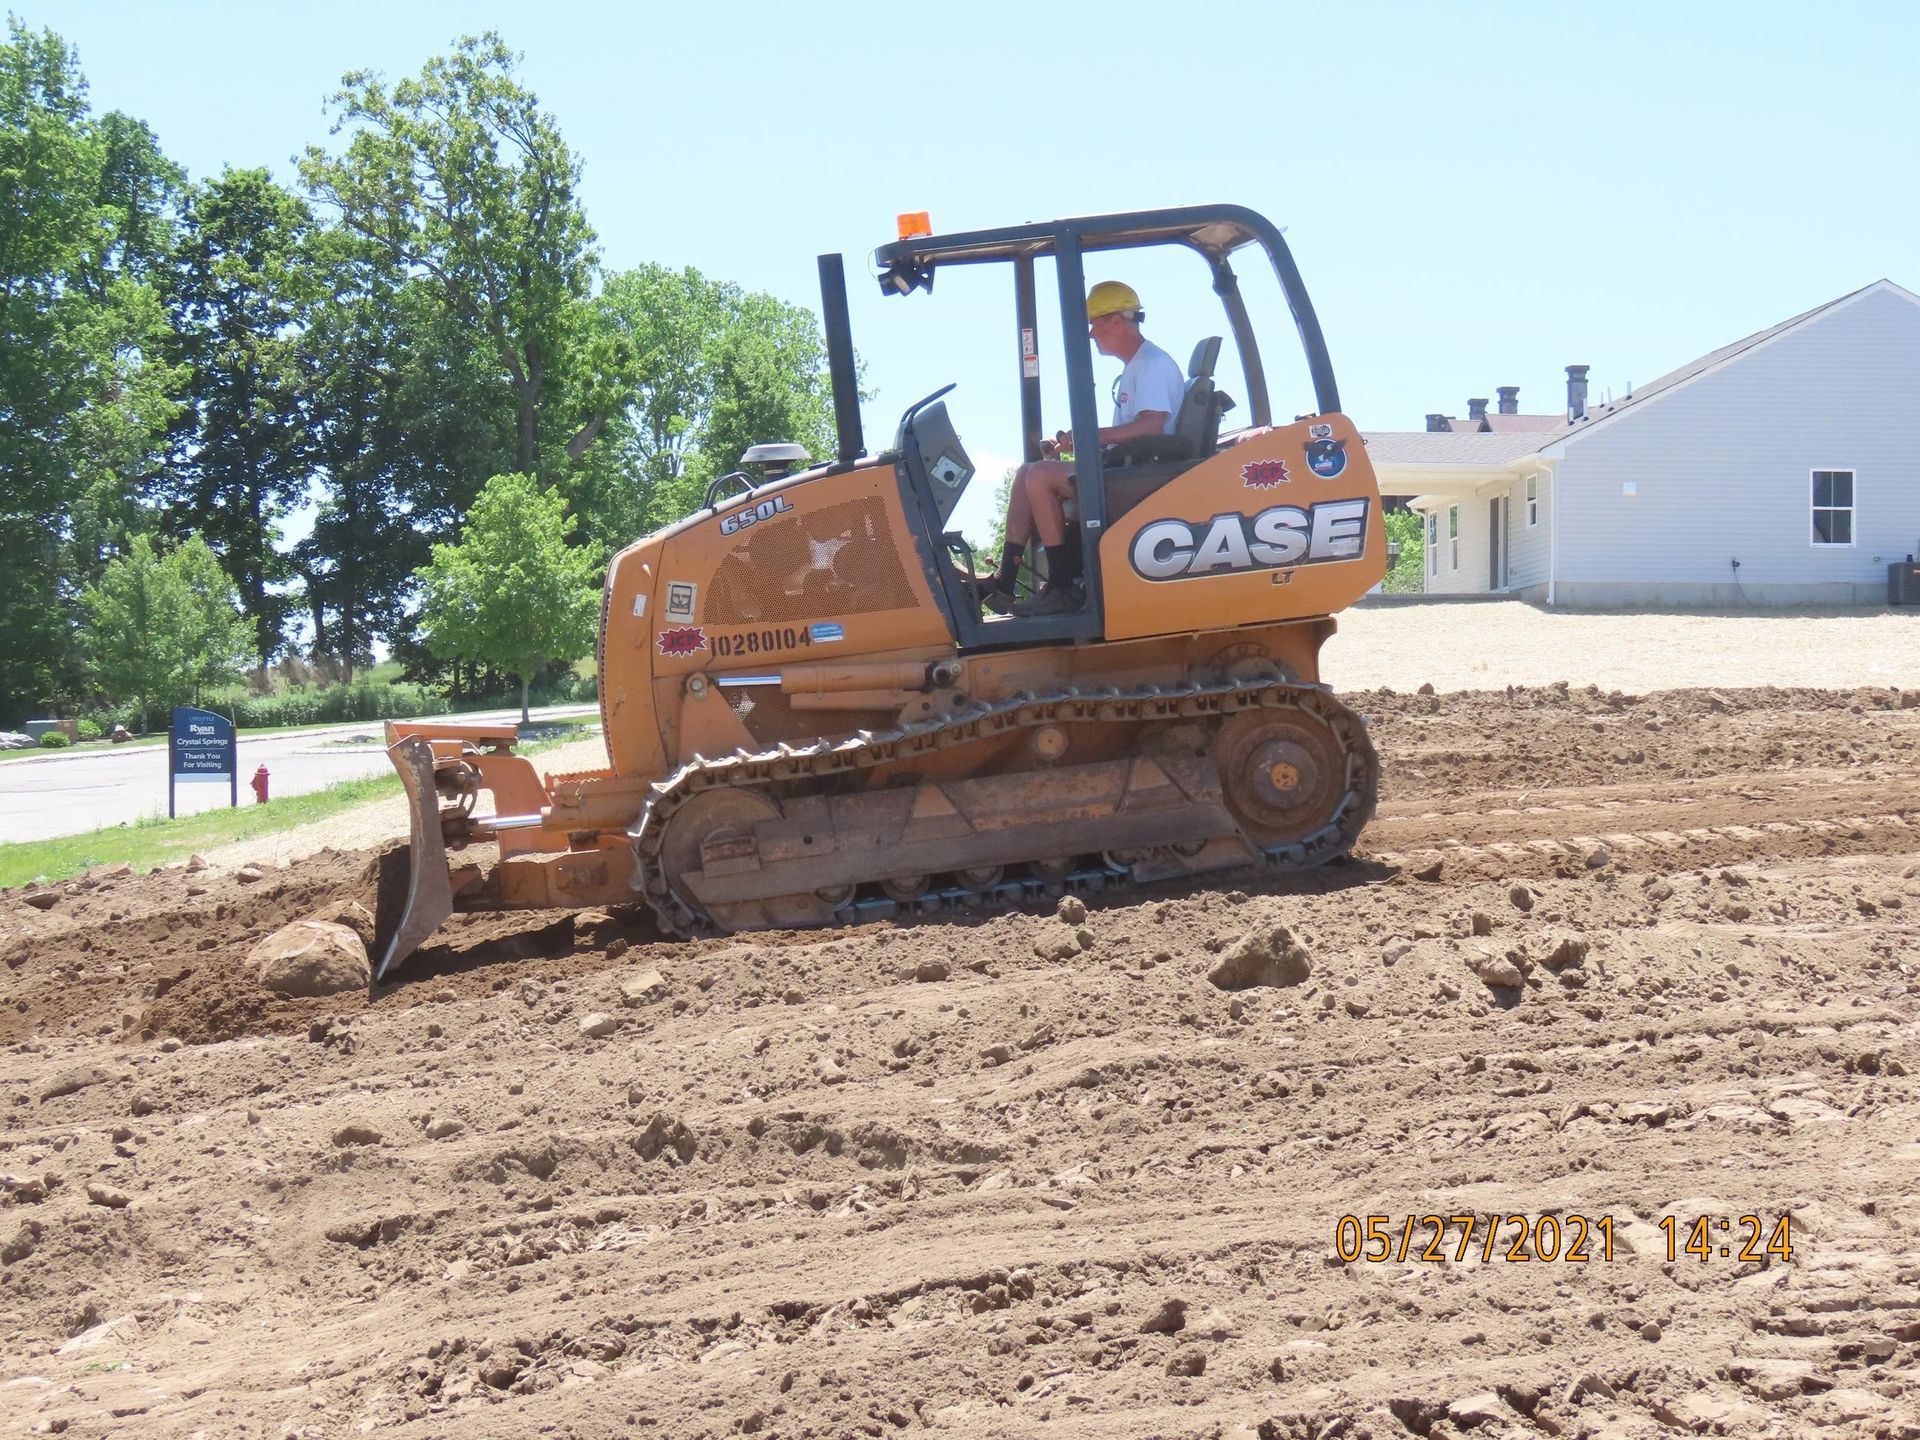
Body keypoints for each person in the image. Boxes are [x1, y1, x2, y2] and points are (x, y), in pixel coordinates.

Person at [976, 281, 1185, 616]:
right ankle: (1004, 581)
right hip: (1125, 465)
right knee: (1027, 472)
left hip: (1140, 476)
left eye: (1095, 323)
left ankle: (1062, 586)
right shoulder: (1137, 366)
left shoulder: (1153, 365)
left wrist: (1091, 436)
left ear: (1117, 321)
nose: (1090, 333)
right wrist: (1084, 440)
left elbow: (1152, 426)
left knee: (1041, 476)